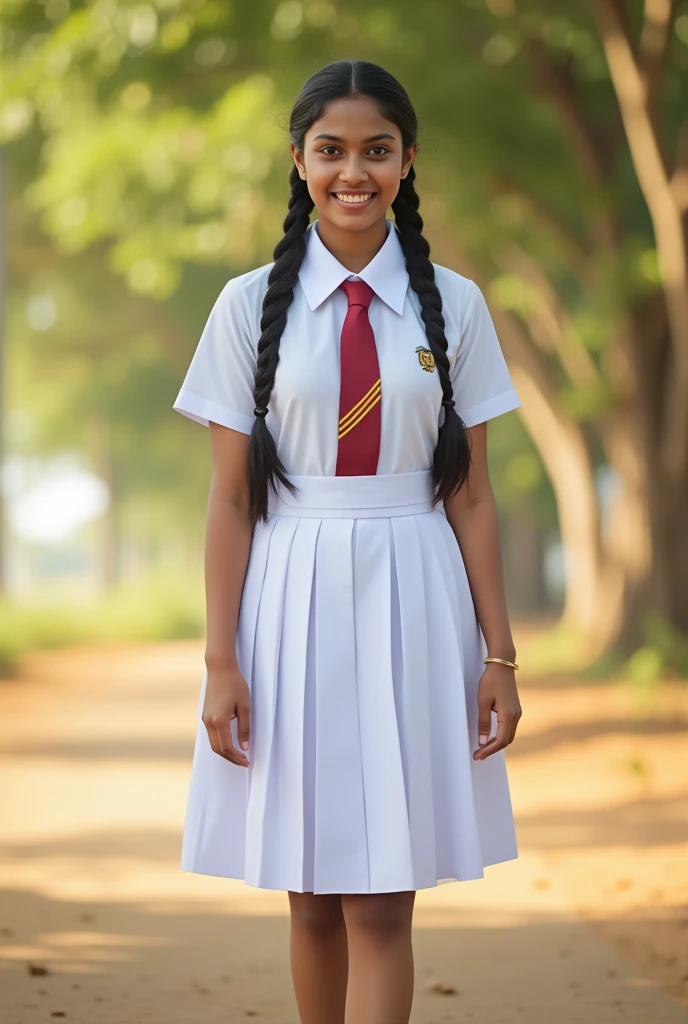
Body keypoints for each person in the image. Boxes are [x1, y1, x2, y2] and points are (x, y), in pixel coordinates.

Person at [173, 58, 523, 1024]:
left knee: (381, 898)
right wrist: (220, 662)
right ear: (299, 161)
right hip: (291, 596)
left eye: (378, 150)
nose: (353, 172)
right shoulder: (247, 308)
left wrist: (499, 654)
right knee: (314, 894)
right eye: (331, 151)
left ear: (409, 161)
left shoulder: (455, 306)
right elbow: (231, 503)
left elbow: (474, 497)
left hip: (415, 590)